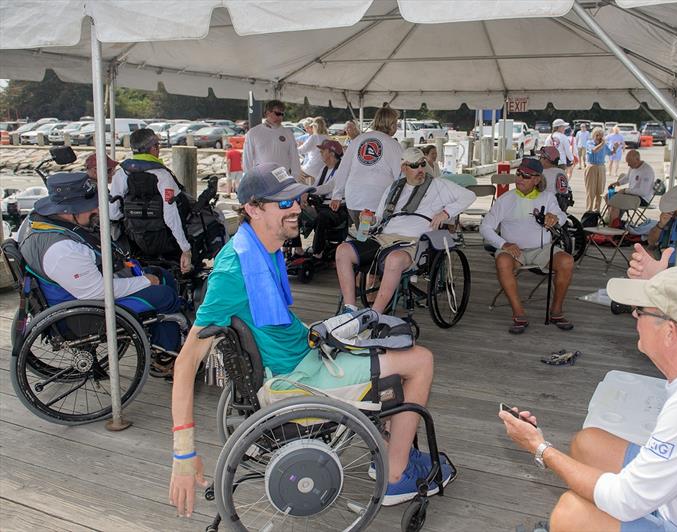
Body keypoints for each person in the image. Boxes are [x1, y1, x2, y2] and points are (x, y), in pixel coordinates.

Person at [168, 163, 454, 517]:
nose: (296, 209)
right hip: (299, 380)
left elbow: (277, 324)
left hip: (305, 355)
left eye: (296, 200)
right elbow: (185, 362)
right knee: (420, 360)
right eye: (283, 204)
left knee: (386, 334)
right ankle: (396, 474)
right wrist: (183, 454)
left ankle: (389, 450)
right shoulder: (233, 270)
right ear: (254, 209)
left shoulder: (261, 247)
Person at [499, 266, 677, 532]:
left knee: (570, 513)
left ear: (670, 332)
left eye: (641, 311)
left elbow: (625, 501)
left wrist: (538, 447)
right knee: (587, 443)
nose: (634, 317)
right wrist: (664, 278)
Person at [17, 172, 182, 353]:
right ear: (71, 211)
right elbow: (96, 291)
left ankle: (163, 334)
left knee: (161, 274)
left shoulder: (34, 222)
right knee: (165, 295)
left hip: (68, 293)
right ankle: (167, 352)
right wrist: (146, 281)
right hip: (80, 314)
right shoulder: (63, 249)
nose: (97, 209)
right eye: (91, 206)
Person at [336, 147, 475, 314]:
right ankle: (349, 308)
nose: (421, 169)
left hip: (414, 242)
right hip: (383, 237)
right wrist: (371, 220)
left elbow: (469, 196)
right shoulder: (393, 188)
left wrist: (446, 213)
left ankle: (375, 314)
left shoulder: (438, 185)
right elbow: (379, 219)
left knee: (394, 259)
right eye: (415, 165)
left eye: (423, 164)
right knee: (343, 250)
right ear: (404, 168)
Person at [480, 158, 575, 333]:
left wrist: (555, 218)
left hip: (543, 250)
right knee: (503, 262)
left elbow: (561, 216)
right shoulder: (505, 199)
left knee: (567, 261)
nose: (520, 179)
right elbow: (485, 227)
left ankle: (556, 311)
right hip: (514, 250)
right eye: (518, 174)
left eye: (526, 176)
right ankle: (518, 313)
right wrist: (504, 243)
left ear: (537, 179)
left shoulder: (547, 197)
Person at [110, 128, 193, 273]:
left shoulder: (121, 173)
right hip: (167, 242)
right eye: (158, 146)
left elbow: (113, 214)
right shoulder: (163, 175)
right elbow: (171, 216)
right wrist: (186, 249)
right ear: (153, 148)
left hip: (135, 241)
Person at [331, 106, 403, 224]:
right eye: (395, 123)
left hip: (354, 199)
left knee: (363, 235)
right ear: (391, 124)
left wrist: (337, 195)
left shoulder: (358, 140)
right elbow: (401, 175)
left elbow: (344, 168)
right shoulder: (393, 145)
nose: (396, 126)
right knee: (372, 239)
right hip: (377, 202)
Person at [306, 139, 349, 259]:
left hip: (338, 209)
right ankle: (296, 248)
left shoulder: (342, 170)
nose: (320, 153)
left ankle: (317, 252)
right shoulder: (324, 169)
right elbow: (316, 187)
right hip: (323, 206)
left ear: (331, 152)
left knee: (322, 217)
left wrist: (308, 191)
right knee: (298, 212)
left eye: (322, 150)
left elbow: (328, 187)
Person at [242, 99, 302, 178]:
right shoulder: (253, 133)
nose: (280, 117)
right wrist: (249, 179)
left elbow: (295, 157)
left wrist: (295, 178)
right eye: (277, 113)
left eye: (282, 114)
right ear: (267, 113)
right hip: (262, 178)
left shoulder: (288, 133)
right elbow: (247, 159)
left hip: (283, 178)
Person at [606, 150, 656, 226]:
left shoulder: (647, 171)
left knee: (616, 200)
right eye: (627, 162)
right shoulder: (633, 166)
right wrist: (617, 183)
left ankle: (612, 225)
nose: (628, 165)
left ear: (637, 160)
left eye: (630, 162)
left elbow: (643, 192)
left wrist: (625, 190)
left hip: (642, 199)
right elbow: (627, 177)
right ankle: (613, 219)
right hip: (632, 195)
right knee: (608, 196)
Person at [585, 127, 613, 212]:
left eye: (601, 135)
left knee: (600, 190)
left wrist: (615, 148)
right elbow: (594, 150)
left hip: (601, 167)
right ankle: (589, 209)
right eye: (597, 135)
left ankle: (597, 209)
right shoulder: (589, 143)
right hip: (592, 167)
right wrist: (602, 144)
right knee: (591, 190)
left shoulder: (604, 145)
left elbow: (610, 153)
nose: (599, 137)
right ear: (593, 135)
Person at [297, 116, 329, 183]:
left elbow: (301, 150)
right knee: (311, 180)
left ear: (315, 127)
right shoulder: (327, 137)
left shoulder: (314, 137)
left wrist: (292, 149)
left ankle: (303, 191)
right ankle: (312, 191)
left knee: (296, 172)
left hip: (314, 167)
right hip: (323, 167)